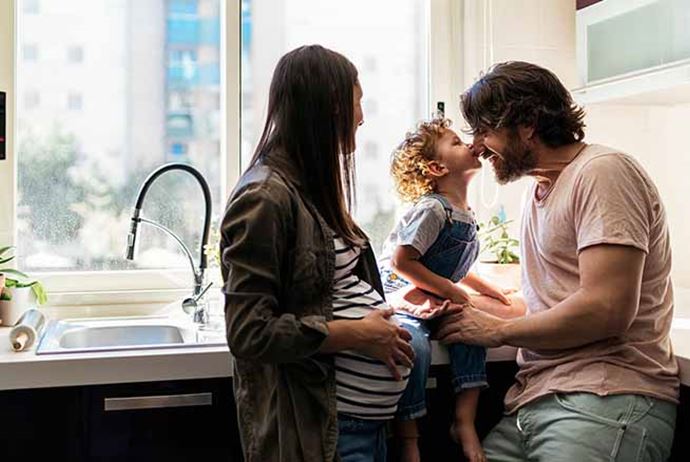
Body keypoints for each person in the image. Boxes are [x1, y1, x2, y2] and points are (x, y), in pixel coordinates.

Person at [432, 61, 679, 461]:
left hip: (605, 398)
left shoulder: (602, 173)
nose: (476, 146)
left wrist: (497, 331)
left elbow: (607, 309)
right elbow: (550, 303)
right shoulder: (541, 192)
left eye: (485, 130)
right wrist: (464, 307)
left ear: (527, 123)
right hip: (536, 401)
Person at [220, 45, 417, 462]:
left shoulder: (311, 188)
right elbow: (249, 333)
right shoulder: (264, 197)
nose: (361, 117)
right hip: (319, 431)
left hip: (360, 427)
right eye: (356, 103)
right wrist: (357, 334)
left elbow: (334, 287)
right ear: (327, 108)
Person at [377, 118, 520, 462]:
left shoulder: (464, 213)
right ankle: (408, 436)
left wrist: (490, 290)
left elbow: (456, 266)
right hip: (404, 295)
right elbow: (402, 262)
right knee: (417, 348)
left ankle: (464, 421)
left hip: (435, 294)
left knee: (472, 333)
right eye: (456, 142)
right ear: (436, 167)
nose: (469, 144)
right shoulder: (432, 209)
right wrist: (452, 292)